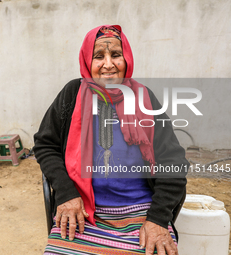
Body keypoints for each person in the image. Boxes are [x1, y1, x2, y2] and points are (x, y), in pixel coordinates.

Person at [34, 25, 189, 255]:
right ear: (88, 61)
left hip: (142, 215)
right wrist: (67, 194)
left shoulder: (145, 99)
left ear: (126, 59)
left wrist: (157, 219)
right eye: (99, 56)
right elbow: (46, 145)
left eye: (116, 55)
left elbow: (173, 161)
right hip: (84, 212)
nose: (108, 64)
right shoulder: (72, 94)